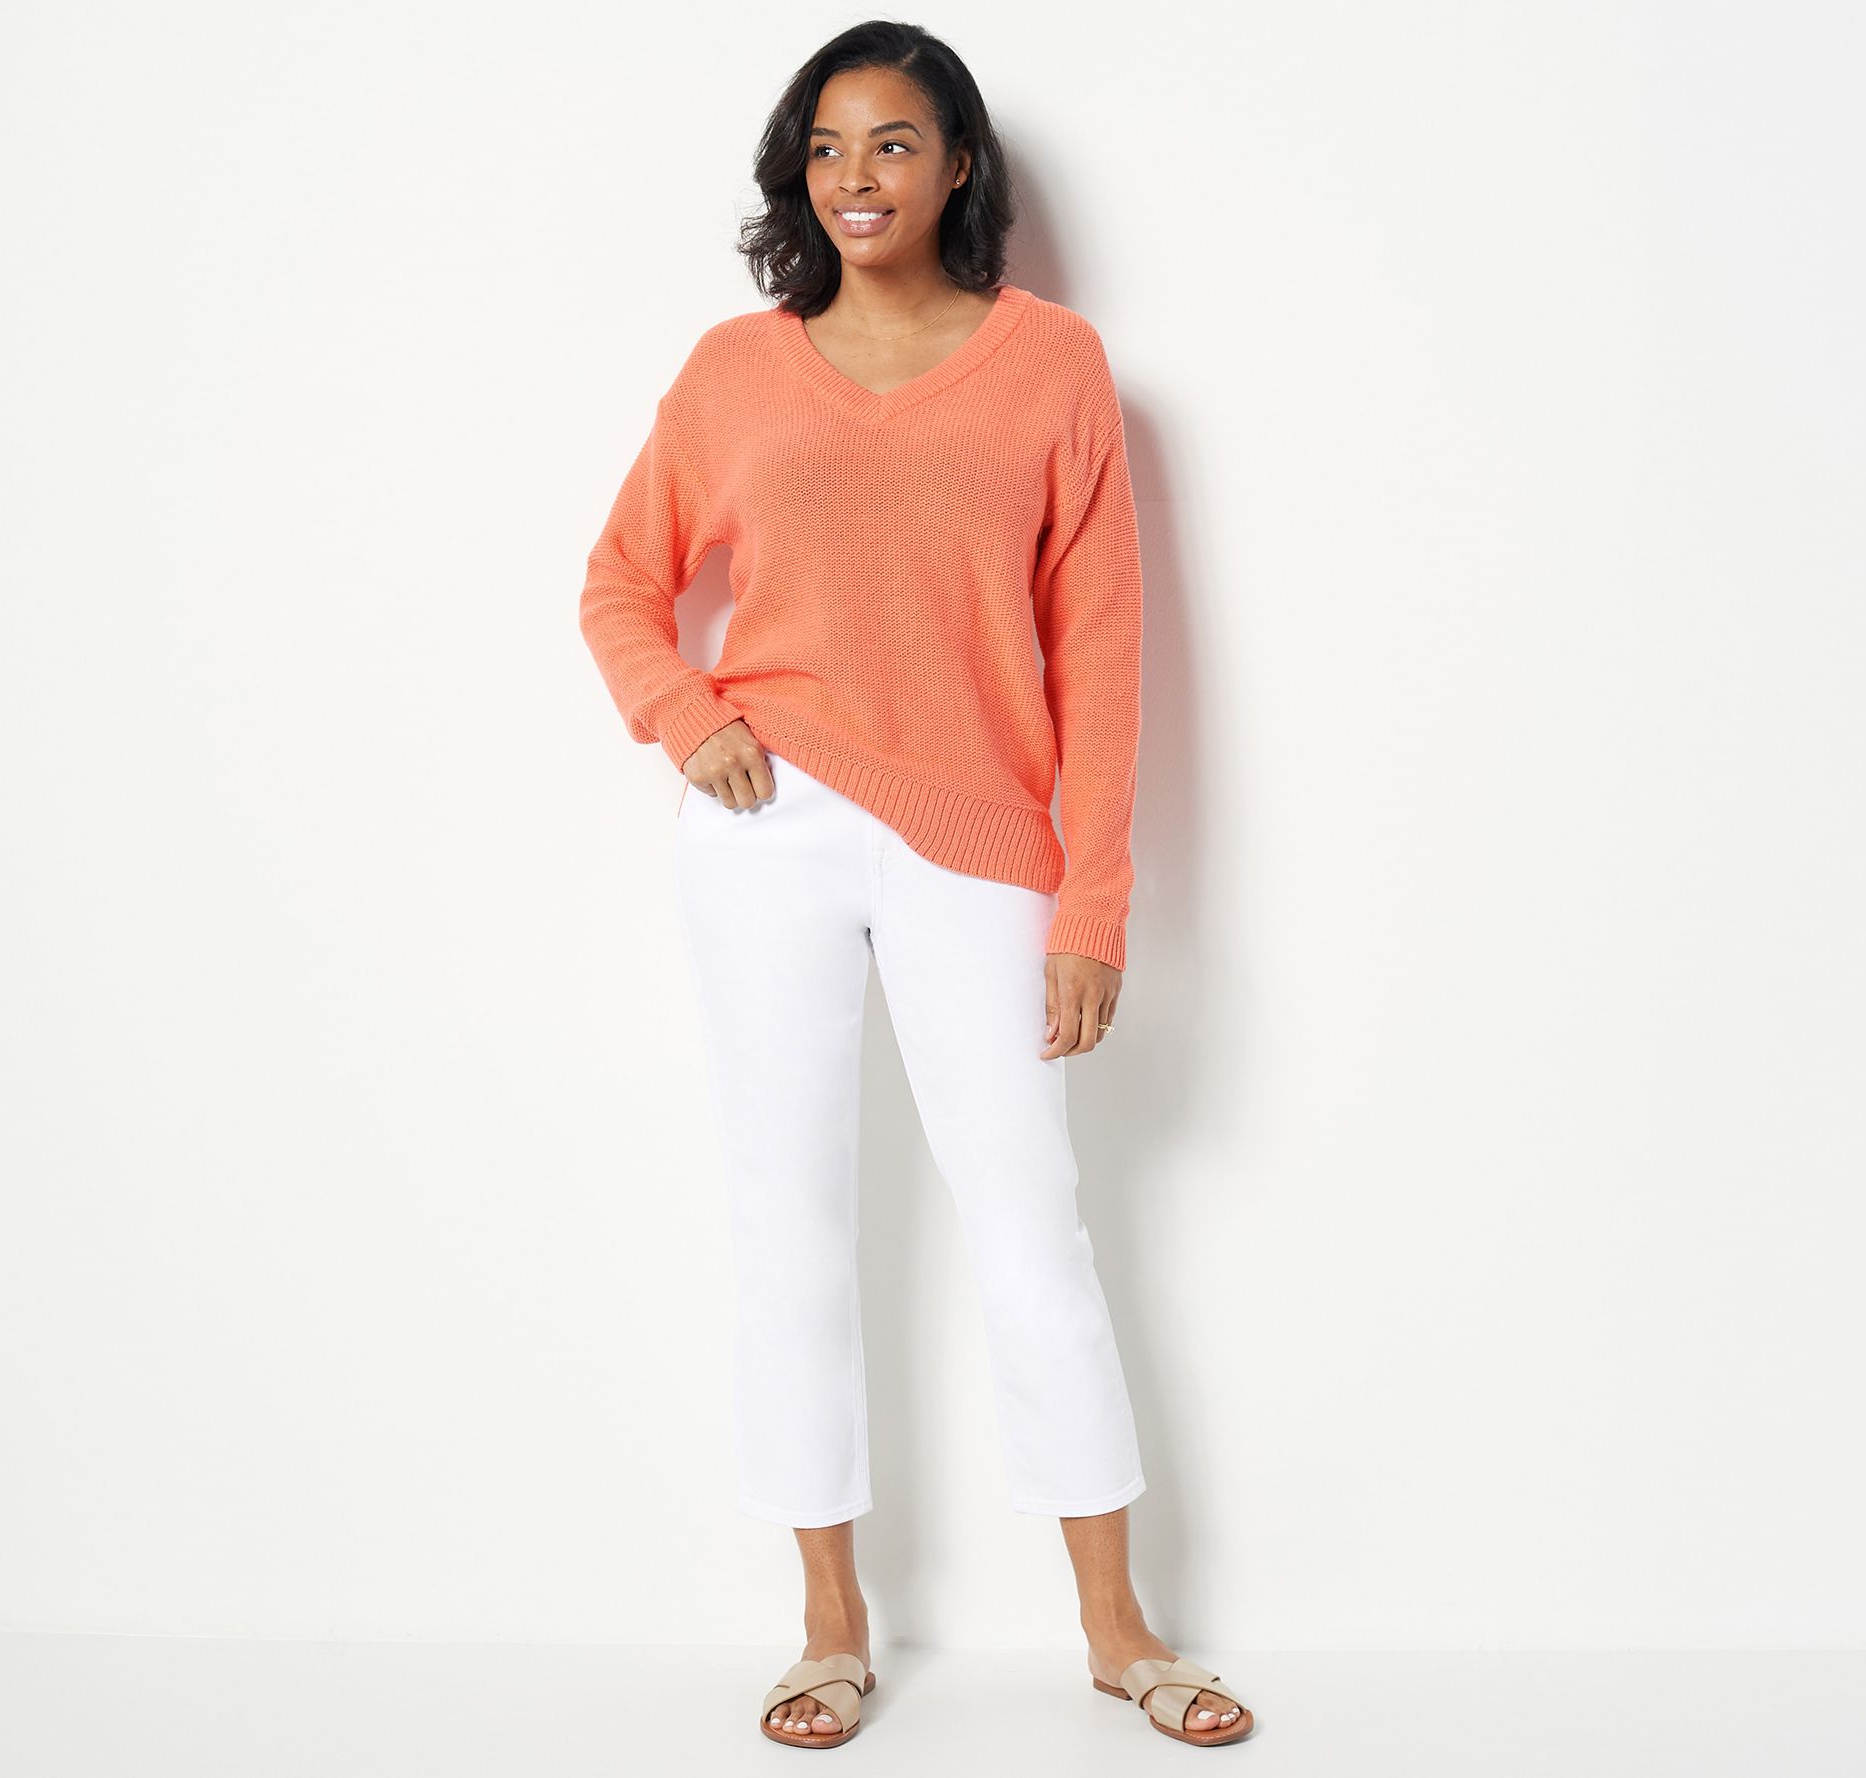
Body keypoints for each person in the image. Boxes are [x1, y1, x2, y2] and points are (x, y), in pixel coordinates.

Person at [577, 19, 1253, 1753]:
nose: (853, 177)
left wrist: (1092, 902)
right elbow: (622, 585)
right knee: (789, 1218)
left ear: (958, 164)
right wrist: (688, 718)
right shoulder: (736, 372)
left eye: (890, 143)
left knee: (1032, 1220)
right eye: (824, 147)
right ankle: (829, 1624)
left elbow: (1102, 653)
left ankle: (1117, 1626)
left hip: (979, 842)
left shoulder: (1055, 367)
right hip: (767, 831)